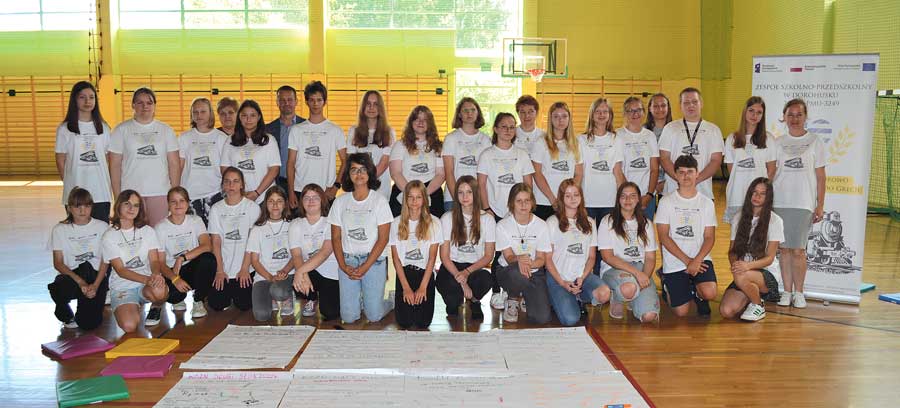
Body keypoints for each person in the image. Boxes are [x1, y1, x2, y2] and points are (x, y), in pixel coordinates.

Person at [476, 112, 534, 310]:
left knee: (518, 251)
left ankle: (516, 292)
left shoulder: (522, 154)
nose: (508, 130)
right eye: (504, 126)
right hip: (494, 211)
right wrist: (487, 209)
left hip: (517, 213)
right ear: (495, 129)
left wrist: (525, 210)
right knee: (497, 253)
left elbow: (528, 184)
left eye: (511, 127)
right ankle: (496, 292)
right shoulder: (487, 155)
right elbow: (481, 184)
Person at [773, 98, 826, 309]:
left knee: (798, 251)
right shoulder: (777, 142)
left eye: (799, 114)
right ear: (784, 117)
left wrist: (820, 204)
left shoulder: (815, 141)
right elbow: (771, 173)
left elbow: (821, 176)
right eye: (791, 115)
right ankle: (786, 292)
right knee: (784, 250)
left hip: (803, 203)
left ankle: (799, 293)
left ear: (805, 117)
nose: (795, 119)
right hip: (780, 202)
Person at [329, 153, 394, 323]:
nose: (359, 174)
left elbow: (383, 239)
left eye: (363, 169)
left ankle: (389, 301)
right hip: (348, 261)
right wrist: (343, 266)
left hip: (373, 261)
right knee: (349, 318)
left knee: (374, 316)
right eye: (354, 170)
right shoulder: (340, 202)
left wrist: (365, 266)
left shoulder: (379, 201)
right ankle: (363, 301)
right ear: (348, 175)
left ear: (370, 173)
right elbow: (335, 237)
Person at [655, 155, 718, 317]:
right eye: (681, 172)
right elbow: (663, 236)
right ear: (675, 175)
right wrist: (687, 261)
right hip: (676, 261)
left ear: (697, 174)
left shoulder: (706, 203)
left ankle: (698, 294)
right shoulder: (666, 202)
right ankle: (667, 282)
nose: (686, 176)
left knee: (710, 292)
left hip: (700, 259)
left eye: (690, 172)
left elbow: (709, 237)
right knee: (681, 312)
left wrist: (696, 260)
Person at [109, 87, 180, 226]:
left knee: (158, 233)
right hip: (131, 193)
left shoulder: (166, 130)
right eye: (140, 102)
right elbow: (114, 165)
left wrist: (174, 194)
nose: (145, 106)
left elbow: (174, 164)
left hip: (159, 192)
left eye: (149, 102)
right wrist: (118, 196)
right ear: (133, 105)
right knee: (133, 233)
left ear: (154, 105)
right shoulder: (121, 130)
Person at [545, 179, 610, 326]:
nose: (573, 199)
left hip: (581, 277)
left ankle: (579, 297)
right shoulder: (552, 222)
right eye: (568, 195)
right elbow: (547, 259)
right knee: (570, 319)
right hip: (558, 278)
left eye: (576, 194)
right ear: (561, 198)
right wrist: (562, 283)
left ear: (581, 197)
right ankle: (555, 297)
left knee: (604, 293)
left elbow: (592, 257)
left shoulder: (590, 222)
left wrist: (582, 278)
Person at [102, 190, 169, 332]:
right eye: (127, 204)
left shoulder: (147, 231)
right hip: (123, 286)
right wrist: (147, 280)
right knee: (129, 326)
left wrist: (156, 275)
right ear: (119, 205)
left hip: (147, 283)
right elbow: (121, 270)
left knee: (160, 291)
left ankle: (156, 306)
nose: (132, 208)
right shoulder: (109, 236)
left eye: (136, 205)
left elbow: (154, 261)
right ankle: (129, 306)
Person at [719, 178, 783, 321]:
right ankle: (751, 294)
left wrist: (746, 267)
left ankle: (758, 305)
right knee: (726, 311)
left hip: (766, 275)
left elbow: (769, 258)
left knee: (742, 276)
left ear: (768, 198)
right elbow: (733, 251)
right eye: (754, 192)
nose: (757, 196)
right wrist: (736, 265)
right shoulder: (738, 217)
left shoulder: (775, 221)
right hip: (743, 273)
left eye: (762, 193)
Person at [47, 187, 109, 330]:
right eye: (77, 206)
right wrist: (80, 282)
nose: (82, 210)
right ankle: (64, 313)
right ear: (69, 208)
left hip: (95, 276)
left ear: (92, 207)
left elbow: (105, 260)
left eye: (87, 206)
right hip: (72, 276)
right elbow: (58, 263)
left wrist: (96, 285)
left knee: (89, 324)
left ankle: (90, 303)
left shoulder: (102, 227)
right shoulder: (60, 229)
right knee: (58, 288)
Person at [598, 182, 660, 323]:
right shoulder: (607, 221)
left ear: (638, 199)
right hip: (614, 268)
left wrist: (644, 277)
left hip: (640, 268)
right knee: (628, 288)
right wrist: (637, 274)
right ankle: (617, 295)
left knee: (649, 316)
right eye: (623, 196)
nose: (627, 200)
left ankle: (633, 298)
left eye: (632, 196)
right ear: (618, 199)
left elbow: (650, 258)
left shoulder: (646, 223)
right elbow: (607, 257)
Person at [154, 187, 217, 319]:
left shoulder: (196, 220)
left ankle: (198, 300)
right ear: (168, 204)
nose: (178, 205)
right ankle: (178, 299)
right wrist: (175, 279)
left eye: (182, 200)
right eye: (174, 201)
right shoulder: (160, 227)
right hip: (173, 271)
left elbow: (207, 246)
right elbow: (160, 263)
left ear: (188, 203)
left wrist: (182, 258)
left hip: (192, 267)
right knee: (173, 296)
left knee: (209, 259)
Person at [437, 175, 495, 320]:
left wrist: (467, 272)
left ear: (476, 193)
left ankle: (474, 300)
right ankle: (454, 302)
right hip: (452, 265)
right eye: (461, 192)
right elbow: (444, 256)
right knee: (448, 286)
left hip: (473, 267)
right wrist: (463, 282)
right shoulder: (447, 218)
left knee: (486, 279)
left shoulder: (487, 219)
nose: (465, 197)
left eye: (469, 192)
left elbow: (489, 256)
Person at [494, 183, 552, 324]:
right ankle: (512, 298)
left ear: (532, 202)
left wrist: (530, 263)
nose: (523, 205)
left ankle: (526, 295)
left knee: (542, 318)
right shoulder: (502, 225)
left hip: (534, 271)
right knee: (518, 274)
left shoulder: (542, 225)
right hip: (509, 270)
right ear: (511, 203)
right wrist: (520, 259)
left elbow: (541, 259)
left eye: (527, 200)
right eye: (519, 201)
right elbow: (508, 257)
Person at [55, 81, 112, 222]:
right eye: (82, 97)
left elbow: (108, 158)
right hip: (76, 193)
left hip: (100, 192)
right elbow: (60, 160)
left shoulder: (104, 128)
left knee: (101, 230)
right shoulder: (64, 129)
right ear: (74, 100)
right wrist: (70, 185)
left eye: (91, 97)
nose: (88, 101)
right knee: (78, 231)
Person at [207, 167, 261, 312]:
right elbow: (216, 242)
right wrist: (219, 270)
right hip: (224, 269)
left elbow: (252, 243)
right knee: (217, 304)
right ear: (223, 185)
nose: (231, 185)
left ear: (242, 184)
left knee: (245, 304)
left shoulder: (252, 207)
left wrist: (244, 269)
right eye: (227, 181)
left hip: (245, 268)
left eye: (236, 181)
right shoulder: (216, 209)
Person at [390, 181, 442, 329]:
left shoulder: (434, 222)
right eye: (410, 197)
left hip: (425, 274)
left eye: (418, 197)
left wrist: (423, 287)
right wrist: (406, 288)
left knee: (423, 322)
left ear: (425, 199)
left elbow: (432, 258)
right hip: (404, 274)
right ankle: (395, 297)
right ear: (405, 199)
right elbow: (396, 259)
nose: (414, 201)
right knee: (404, 322)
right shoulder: (395, 223)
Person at [286, 81, 347, 207]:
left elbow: (345, 161)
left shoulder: (335, 130)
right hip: (300, 190)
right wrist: (291, 192)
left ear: (325, 102)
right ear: (306, 102)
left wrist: (336, 187)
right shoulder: (296, 130)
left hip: (326, 192)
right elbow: (290, 163)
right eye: (312, 100)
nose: (315, 104)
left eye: (319, 100)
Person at [658, 87, 724, 201]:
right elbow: (664, 158)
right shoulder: (670, 128)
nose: (691, 105)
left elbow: (716, 161)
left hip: (703, 193)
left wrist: (695, 180)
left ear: (701, 103)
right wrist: (680, 179)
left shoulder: (713, 130)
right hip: (673, 192)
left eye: (694, 102)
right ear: (680, 105)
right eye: (686, 102)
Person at [291, 183, 341, 321]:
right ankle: (311, 299)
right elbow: (296, 255)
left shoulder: (330, 222)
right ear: (301, 202)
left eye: (315, 197)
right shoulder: (295, 224)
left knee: (330, 313)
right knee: (298, 284)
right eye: (307, 198)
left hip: (330, 270)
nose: (311, 201)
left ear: (322, 201)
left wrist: (300, 271)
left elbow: (325, 253)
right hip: (309, 269)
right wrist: (303, 273)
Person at [724, 96, 776, 223]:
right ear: (744, 111)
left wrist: (760, 193)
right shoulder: (732, 138)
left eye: (759, 112)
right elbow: (731, 170)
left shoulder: (768, 139)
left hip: (758, 199)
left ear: (763, 116)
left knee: (758, 234)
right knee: (737, 234)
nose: (754, 115)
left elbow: (771, 170)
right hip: (736, 196)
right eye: (751, 110)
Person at [248, 187, 295, 321]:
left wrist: (284, 272)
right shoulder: (257, 228)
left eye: (279, 201)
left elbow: (296, 255)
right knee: (261, 316)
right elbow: (254, 261)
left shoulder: (292, 225)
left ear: (285, 204)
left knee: (279, 292)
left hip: (286, 274)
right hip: (264, 276)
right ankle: (272, 296)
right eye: (271, 201)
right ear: (265, 204)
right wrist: (269, 277)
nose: (275, 205)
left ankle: (286, 297)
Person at [179, 97, 228, 224]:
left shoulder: (221, 138)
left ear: (210, 113)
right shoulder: (184, 138)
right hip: (190, 194)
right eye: (195, 112)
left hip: (215, 193)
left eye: (203, 111)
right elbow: (179, 167)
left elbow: (226, 169)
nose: (199, 115)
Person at [220, 99, 280, 205]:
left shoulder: (269, 140)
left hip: (264, 198)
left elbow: (274, 170)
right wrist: (239, 192)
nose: (248, 119)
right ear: (239, 117)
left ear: (259, 117)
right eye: (244, 115)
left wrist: (256, 193)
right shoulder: (230, 140)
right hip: (238, 197)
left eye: (253, 115)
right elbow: (225, 169)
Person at [389, 105, 445, 218]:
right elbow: (396, 173)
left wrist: (423, 194)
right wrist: (412, 195)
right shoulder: (399, 145)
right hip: (404, 189)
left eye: (425, 119)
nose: (421, 122)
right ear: (411, 122)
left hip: (431, 192)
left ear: (430, 123)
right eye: (417, 119)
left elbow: (441, 174)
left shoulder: (438, 146)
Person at [531, 102, 583, 220]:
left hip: (566, 203)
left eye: (564, 116)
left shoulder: (576, 143)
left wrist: (569, 196)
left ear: (569, 119)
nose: (561, 120)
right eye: (556, 116)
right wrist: (552, 199)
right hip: (544, 201)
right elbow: (537, 173)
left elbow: (579, 174)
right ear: (551, 119)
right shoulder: (541, 142)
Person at [579, 97, 624, 226]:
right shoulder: (581, 140)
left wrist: (621, 197)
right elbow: (579, 173)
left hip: (610, 200)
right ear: (592, 115)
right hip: (587, 200)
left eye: (605, 111)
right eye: (598, 111)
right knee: (587, 236)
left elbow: (618, 172)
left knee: (607, 236)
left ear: (610, 115)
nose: (601, 115)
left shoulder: (616, 139)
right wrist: (578, 198)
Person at [442, 97, 491, 212]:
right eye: (465, 110)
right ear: (459, 114)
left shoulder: (486, 140)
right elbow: (449, 173)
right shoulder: (451, 138)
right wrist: (458, 199)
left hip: (478, 198)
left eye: (473, 110)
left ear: (478, 113)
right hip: (453, 198)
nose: (469, 113)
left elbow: (487, 174)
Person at [617, 97, 660, 220]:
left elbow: (654, 169)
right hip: (625, 197)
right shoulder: (617, 135)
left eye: (639, 110)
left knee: (645, 230)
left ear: (644, 112)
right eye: (631, 110)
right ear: (625, 113)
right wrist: (630, 196)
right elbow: (618, 170)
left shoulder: (650, 136)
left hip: (647, 197)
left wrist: (649, 195)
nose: (635, 114)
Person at [346, 90, 394, 199]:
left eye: (375, 104)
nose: (371, 108)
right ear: (363, 107)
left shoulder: (389, 132)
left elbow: (384, 163)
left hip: (380, 189)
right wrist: (361, 184)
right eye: (368, 104)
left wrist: (367, 182)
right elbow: (350, 161)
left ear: (380, 108)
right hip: (358, 187)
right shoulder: (353, 131)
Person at [265, 85, 307, 193]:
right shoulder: (268, 129)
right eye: (282, 100)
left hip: (302, 182)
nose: (286, 103)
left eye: (290, 99)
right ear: (277, 102)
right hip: (277, 182)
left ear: (296, 101)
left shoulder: (307, 126)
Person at [644, 93, 672, 198]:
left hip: (670, 183)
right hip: (647, 184)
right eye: (655, 106)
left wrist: (665, 181)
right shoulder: (642, 131)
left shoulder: (675, 130)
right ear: (649, 108)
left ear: (668, 108)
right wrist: (653, 181)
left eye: (663, 105)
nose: (660, 109)